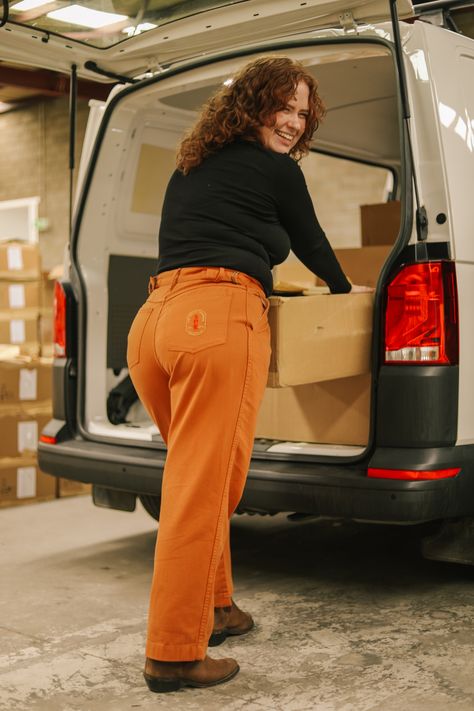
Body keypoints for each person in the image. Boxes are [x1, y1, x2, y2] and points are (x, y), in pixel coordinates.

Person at [127, 55, 372, 694]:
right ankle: (175, 653)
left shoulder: (193, 164)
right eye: (283, 106)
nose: (292, 122)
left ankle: (216, 606)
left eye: (301, 112)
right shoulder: (272, 169)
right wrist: (351, 296)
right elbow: (313, 244)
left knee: (197, 476)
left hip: (153, 323)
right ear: (254, 105)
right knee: (202, 491)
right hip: (217, 317)